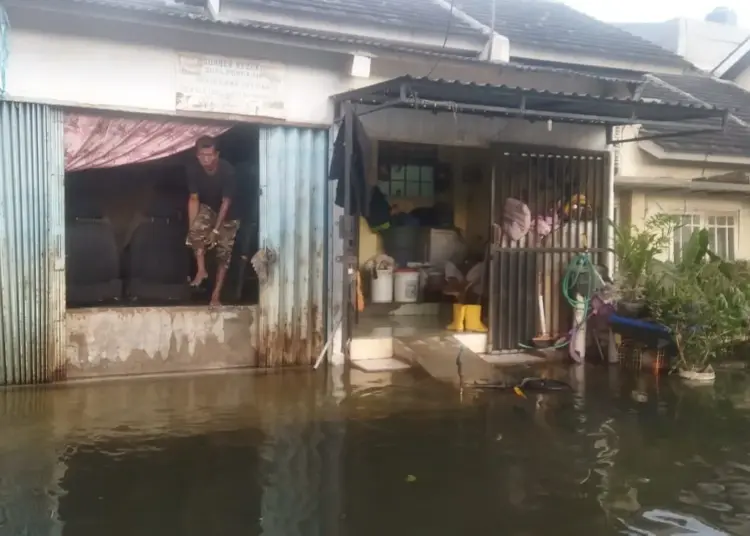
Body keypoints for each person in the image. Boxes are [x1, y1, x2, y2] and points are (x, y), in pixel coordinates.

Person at [186, 136, 240, 307]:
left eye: (209, 155)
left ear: (217, 154)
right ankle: (201, 271)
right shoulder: (193, 170)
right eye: (202, 156)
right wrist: (193, 229)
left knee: (223, 255)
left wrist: (215, 231)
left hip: (230, 213)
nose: (206, 160)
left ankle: (215, 296)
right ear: (197, 156)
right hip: (209, 208)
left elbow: (226, 202)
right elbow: (194, 199)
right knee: (194, 232)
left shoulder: (227, 171)